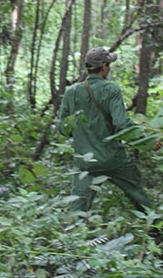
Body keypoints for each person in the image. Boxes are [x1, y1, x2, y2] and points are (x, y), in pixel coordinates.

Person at [57, 47, 152, 213]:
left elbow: (63, 129)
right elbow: (122, 125)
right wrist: (146, 143)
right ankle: (156, 229)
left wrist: (83, 135)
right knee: (138, 195)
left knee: (77, 208)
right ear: (104, 66)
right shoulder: (111, 90)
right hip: (113, 159)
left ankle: (71, 236)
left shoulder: (71, 92)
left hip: (85, 161)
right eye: (109, 64)